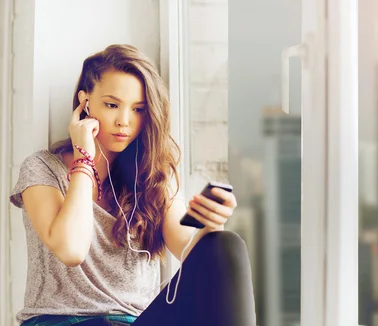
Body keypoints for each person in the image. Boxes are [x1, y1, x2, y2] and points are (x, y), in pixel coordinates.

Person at [9, 44, 256, 326]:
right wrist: (84, 159)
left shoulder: (152, 177)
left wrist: (211, 224)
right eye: (112, 105)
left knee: (227, 245)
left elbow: (193, 254)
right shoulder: (42, 168)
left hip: (136, 322)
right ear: (85, 102)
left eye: (138, 109)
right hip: (62, 322)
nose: (124, 121)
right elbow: (71, 250)